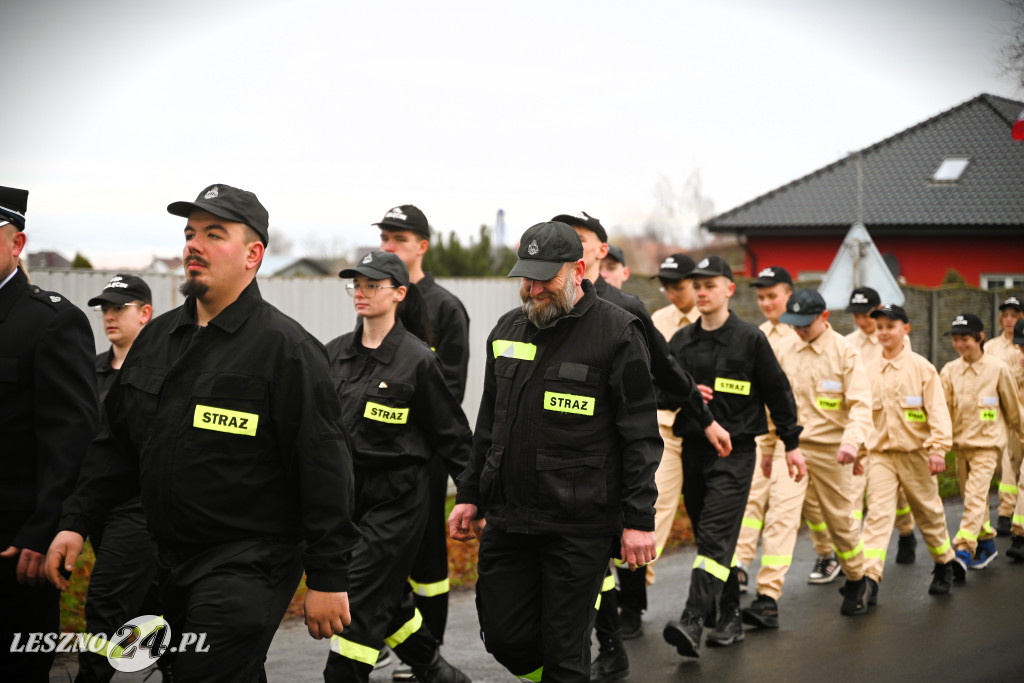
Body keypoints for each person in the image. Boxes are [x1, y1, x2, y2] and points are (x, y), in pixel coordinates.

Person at [45, 184, 360, 682]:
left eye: (215, 234)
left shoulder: (287, 350)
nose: (194, 244)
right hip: (167, 559)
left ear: (254, 254)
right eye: (190, 233)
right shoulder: (157, 341)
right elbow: (116, 448)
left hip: (249, 563)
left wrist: (328, 576)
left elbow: (324, 470)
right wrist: (75, 520)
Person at [448, 221, 662, 683]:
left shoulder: (618, 332)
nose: (532, 287)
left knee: (566, 650)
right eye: (526, 276)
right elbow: (488, 425)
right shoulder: (508, 329)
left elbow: (641, 437)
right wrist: (469, 493)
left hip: (579, 525)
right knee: (504, 638)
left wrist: (639, 519)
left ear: (579, 269)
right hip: (509, 519)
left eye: (545, 276)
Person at [550, 212, 728, 681]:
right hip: (555, 460)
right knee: (583, 562)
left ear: (600, 252)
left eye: (579, 241)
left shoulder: (625, 308)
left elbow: (668, 375)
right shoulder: (542, 307)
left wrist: (705, 420)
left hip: (607, 456)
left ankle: (607, 642)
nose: (567, 247)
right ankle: (602, 644)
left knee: (597, 555)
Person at [323, 251, 471, 683]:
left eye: (373, 285)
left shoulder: (418, 360)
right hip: (347, 500)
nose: (362, 293)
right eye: (357, 284)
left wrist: (474, 497)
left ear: (399, 294)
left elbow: (452, 435)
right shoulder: (333, 355)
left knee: (360, 599)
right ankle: (434, 667)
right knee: (387, 596)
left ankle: (343, 675)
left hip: (397, 501)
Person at [663, 256, 805, 657]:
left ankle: (693, 619)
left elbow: (778, 394)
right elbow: (657, 391)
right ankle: (729, 618)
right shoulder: (681, 342)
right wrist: (687, 396)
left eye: (711, 285)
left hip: (736, 452)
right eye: (698, 285)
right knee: (713, 538)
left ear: (729, 289)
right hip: (693, 449)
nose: (702, 292)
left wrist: (791, 444)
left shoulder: (749, 339)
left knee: (715, 534)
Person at [0, 186, 99, 682]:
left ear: (16, 244)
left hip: (15, 547)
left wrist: (46, 529)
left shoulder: (51, 322)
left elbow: (72, 437)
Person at [742, 289, 873, 630]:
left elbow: (861, 406)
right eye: (794, 324)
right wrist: (770, 448)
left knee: (842, 522)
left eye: (805, 324)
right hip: (792, 449)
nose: (798, 330)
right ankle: (767, 598)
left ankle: (858, 578)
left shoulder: (846, 353)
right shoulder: (783, 350)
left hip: (834, 452)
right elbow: (774, 404)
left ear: (824, 318)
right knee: (780, 517)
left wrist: (853, 444)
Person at [376, 205, 469, 657]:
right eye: (384, 238)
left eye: (397, 239)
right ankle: (378, 638)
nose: (387, 246)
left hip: (423, 457)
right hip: (375, 456)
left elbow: (448, 394)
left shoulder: (446, 308)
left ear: (422, 246)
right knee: (377, 554)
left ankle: (427, 652)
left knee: (427, 559)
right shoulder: (379, 299)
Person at [77, 274, 159, 683]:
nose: (108, 316)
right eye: (104, 308)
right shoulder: (88, 371)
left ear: (145, 313)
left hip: (140, 507)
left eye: (119, 307)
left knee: (106, 603)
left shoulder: (164, 372)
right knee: (153, 602)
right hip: (97, 506)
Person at [861, 304, 957, 600]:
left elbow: (938, 412)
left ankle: (944, 563)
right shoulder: (866, 369)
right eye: (879, 327)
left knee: (929, 513)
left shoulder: (921, 368)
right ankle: (868, 578)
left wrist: (938, 448)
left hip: (917, 454)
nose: (884, 332)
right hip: (880, 456)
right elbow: (860, 412)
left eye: (891, 326)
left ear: (905, 329)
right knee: (877, 515)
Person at [732, 266, 800, 594]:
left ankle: (830, 555)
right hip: (763, 433)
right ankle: (741, 563)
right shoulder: (757, 334)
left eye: (772, 296)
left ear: (790, 294)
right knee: (753, 497)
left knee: (819, 509)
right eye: (761, 297)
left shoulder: (800, 335)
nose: (766, 303)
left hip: (797, 437)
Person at [939, 313, 1022, 571]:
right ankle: (986, 544)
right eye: (955, 339)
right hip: (961, 449)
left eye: (965, 338)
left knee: (975, 496)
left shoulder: (998, 369)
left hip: (987, 447)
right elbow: (941, 413)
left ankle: (963, 550)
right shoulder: (950, 371)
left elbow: (1013, 412)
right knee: (973, 500)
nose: (960, 344)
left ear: (980, 337)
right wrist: (937, 447)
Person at [844, 287, 918, 565]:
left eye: (866, 316)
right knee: (851, 490)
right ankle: (851, 552)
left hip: (886, 425)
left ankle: (907, 531)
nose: (862, 322)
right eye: (856, 316)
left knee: (893, 491)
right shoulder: (847, 343)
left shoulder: (894, 340)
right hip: (855, 423)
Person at [985, 295, 1024, 536]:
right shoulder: (991, 347)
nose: (1009, 320)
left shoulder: (1020, 344)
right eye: (1005, 315)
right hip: (1003, 411)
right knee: (1007, 463)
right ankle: (1005, 512)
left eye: (1014, 315)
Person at [1006, 319, 1024, 561]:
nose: (1022, 352)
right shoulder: (1018, 364)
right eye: (1020, 347)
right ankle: (1019, 533)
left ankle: (1020, 534)